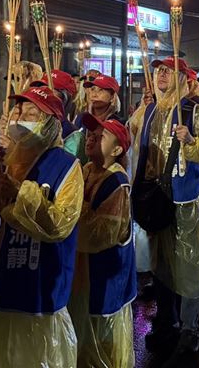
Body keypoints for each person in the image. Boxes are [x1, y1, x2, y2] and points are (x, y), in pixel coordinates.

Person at [0, 85, 84, 368]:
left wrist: (18, 193)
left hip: (38, 289)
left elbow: (60, 224)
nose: (20, 118)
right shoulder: (3, 158)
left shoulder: (67, 166)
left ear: (49, 125)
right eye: (18, 111)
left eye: (32, 113)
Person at [130, 57, 199, 359]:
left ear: (184, 78)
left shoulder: (193, 112)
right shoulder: (147, 111)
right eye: (159, 70)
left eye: (170, 71)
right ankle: (165, 322)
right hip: (157, 202)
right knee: (161, 266)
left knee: (190, 267)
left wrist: (193, 141)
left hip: (185, 203)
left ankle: (190, 328)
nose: (162, 75)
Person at [69, 114, 136, 368]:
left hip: (106, 275)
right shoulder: (85, 170)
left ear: (117, 149)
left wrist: (69, 214)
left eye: (101, 136)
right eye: (90, 134)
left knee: (103, 343)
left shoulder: (117, 184)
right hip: (84, 275)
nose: (91, 138)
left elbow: (99, 236)